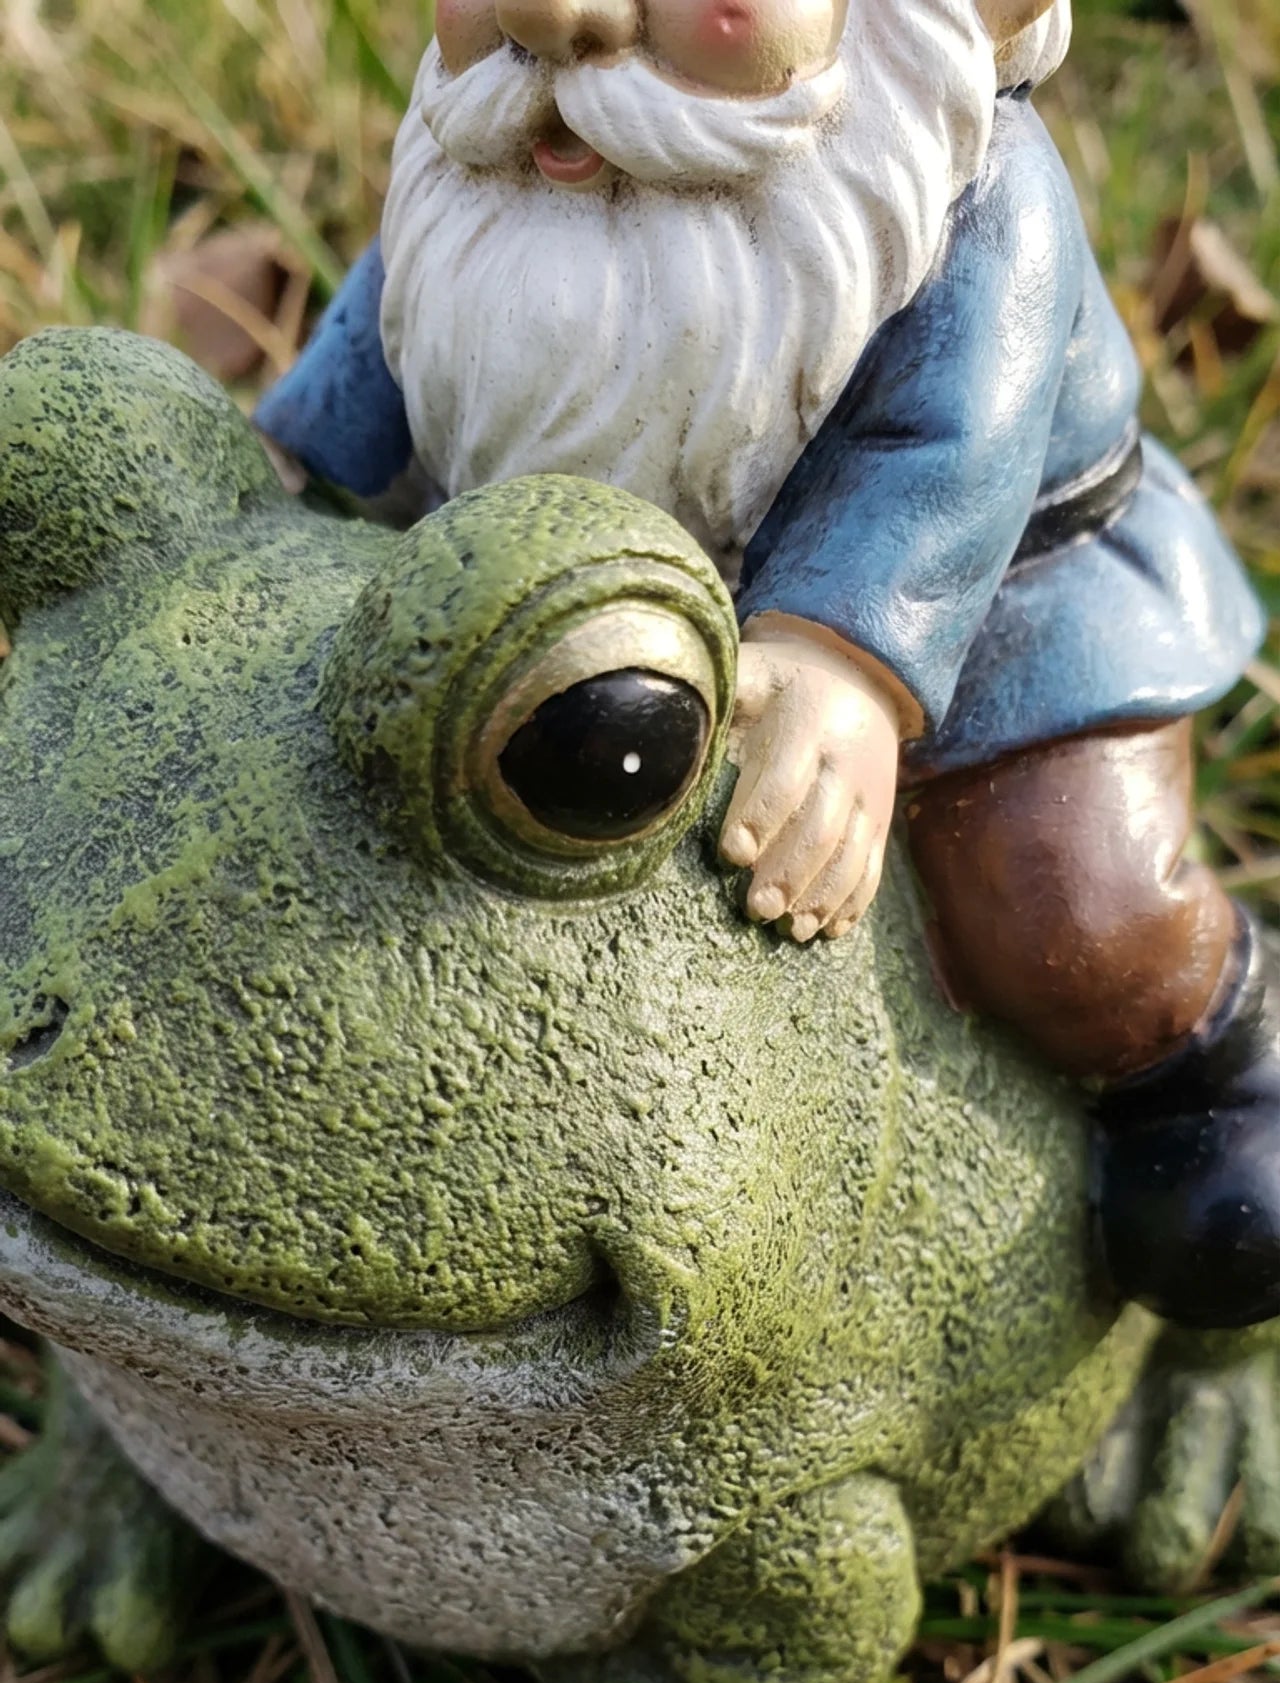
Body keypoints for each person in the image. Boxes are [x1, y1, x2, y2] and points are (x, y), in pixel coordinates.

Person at [256, 0, 1280, 1329]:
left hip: (985, 599)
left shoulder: (968, 195)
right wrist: (298, 467)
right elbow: (401, 314)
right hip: (563, 592)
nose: (555, 16)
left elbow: (948, 445)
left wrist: (845, 654)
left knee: (1065, 913)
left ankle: (1211, 1071)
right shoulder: (502, 146)